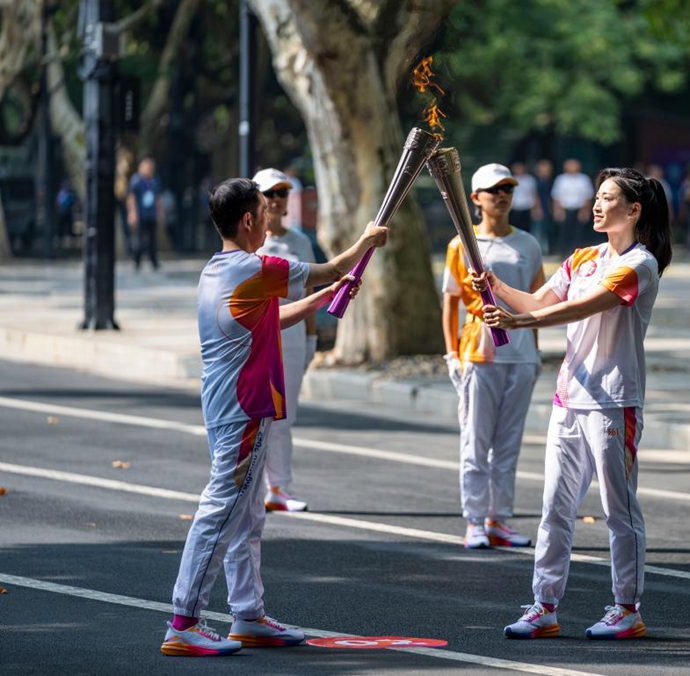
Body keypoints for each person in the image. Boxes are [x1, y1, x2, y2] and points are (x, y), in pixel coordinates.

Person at [161, 177, 388, 656]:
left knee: (246, 516)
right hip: (243, 405)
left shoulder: (219, 270)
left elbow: (267, 316)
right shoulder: (253, 266)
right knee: (223, 510)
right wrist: (367, 241)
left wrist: (324, 298)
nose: (272, 221)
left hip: (236, 404)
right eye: (265, 213)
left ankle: (248, 614)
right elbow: (333, 265)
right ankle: (184, 621)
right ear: (247, 221)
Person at [475, 168, 672, 640]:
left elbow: (586, 307)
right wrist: (497, 287)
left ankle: (627, 608)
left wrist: (522, 325)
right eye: (597, 198)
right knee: (554, 506)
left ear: (634, 210)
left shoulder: (641, 264)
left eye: (607, 199)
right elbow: (538, 300)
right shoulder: (583, 256)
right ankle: (544, 605)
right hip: (568, 398)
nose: (597, 206)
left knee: (617, 509)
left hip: (613, 401)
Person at [442, 163, 545, 550]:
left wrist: (535, 353)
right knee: (476, 439)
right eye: (493, 189)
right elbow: (450, 302)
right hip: (478, 349)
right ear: (475, 198)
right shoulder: (462, 244)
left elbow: (537, 303)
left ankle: (498, 519)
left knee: (508, 442)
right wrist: (451, 353)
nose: (502, 195)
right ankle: (474, 521)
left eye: (507, 188)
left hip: (519, 353)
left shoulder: (528, 244)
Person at [253, 168, 317, 513]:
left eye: (281, 192)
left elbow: (308, 291)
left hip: (291, 339)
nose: (276, 200)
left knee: (284, 416)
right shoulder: (251, 243)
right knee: (257, 417)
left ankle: (278, 488)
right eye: (269, 193)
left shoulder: (300, 241)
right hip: (258, 339)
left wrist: (310, 341)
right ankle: (248, 485)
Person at [127, 157, 165, 271]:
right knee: (139, 240)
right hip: (141, 215)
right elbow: (131, 197)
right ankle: (137, 261)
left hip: (151, 214)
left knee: (153, 240)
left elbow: (158, 198)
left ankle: (154, 262)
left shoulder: (154, 181)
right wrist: (132, 212)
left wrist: (160, 212)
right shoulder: (136, 180)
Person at [551, 159, 595, 254]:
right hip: (564, 210)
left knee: (578, 234)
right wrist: (557, 211)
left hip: (579, 210)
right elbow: (556, 196)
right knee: (563, 233)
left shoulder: (584, 179)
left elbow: (588, 196)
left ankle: (577, 254)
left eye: (574, 165)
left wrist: (585, 211)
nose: (571, 167)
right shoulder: (561, 179)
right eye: (569, 165)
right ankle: (562, 253)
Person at [508, 162, 540, 233]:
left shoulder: (530, 180)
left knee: (526, 228)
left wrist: (535, 208)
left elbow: (534, 194)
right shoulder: (511, 180)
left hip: (527, 207)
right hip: (514, 207)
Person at [535, 159, 555, 254]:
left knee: (547, 230)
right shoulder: (536, 181)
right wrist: (537, 208)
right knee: (538, 230)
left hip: (548, 208)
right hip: (539, 208)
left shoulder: (551, 181)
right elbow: (535, 195)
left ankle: (546, 250)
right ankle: (539, 250)